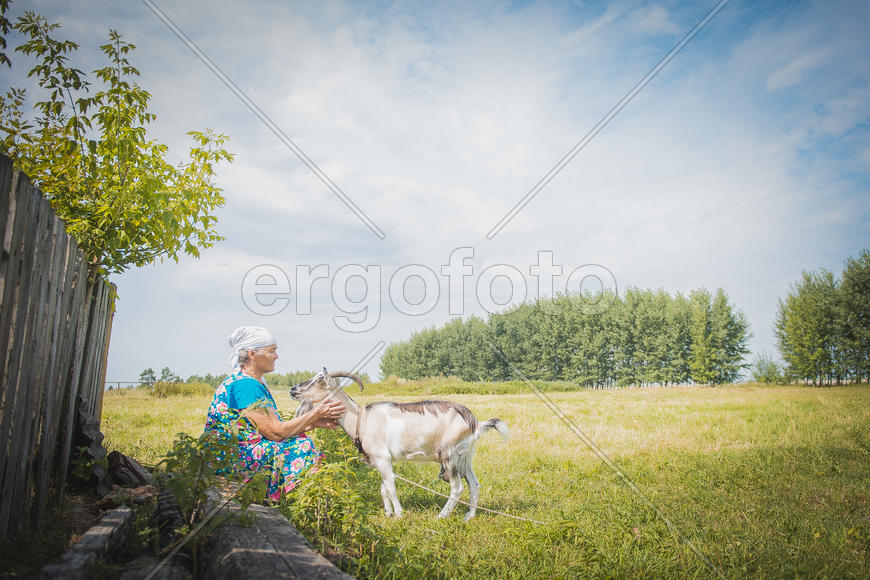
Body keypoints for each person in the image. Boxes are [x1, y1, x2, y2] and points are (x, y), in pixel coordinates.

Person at [204, 325, 344, 500]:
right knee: (303, 447)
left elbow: (269, 431)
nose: (276, 356)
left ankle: (305, 501)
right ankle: (306, 501)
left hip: (238, 452)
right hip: (231, 459)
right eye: (271, 351)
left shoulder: (249, 382)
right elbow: (275, 432)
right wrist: (315, 414)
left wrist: (311, 423)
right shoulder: (245, 385)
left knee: (300, 439)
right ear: (252, 354)